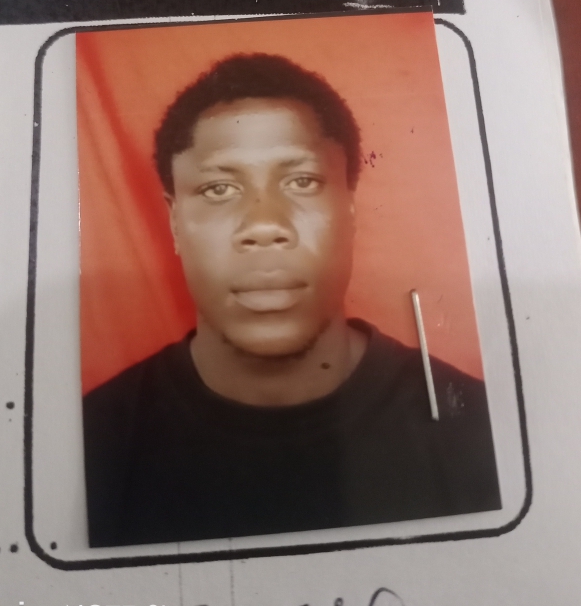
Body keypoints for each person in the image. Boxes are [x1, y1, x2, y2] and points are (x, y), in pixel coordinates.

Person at [83, 53, 501, 548]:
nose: (264, 225)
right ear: (174, 222)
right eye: (219, 189)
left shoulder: (483, 432)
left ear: (349, 207)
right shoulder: (89, 443)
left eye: (302, 182)